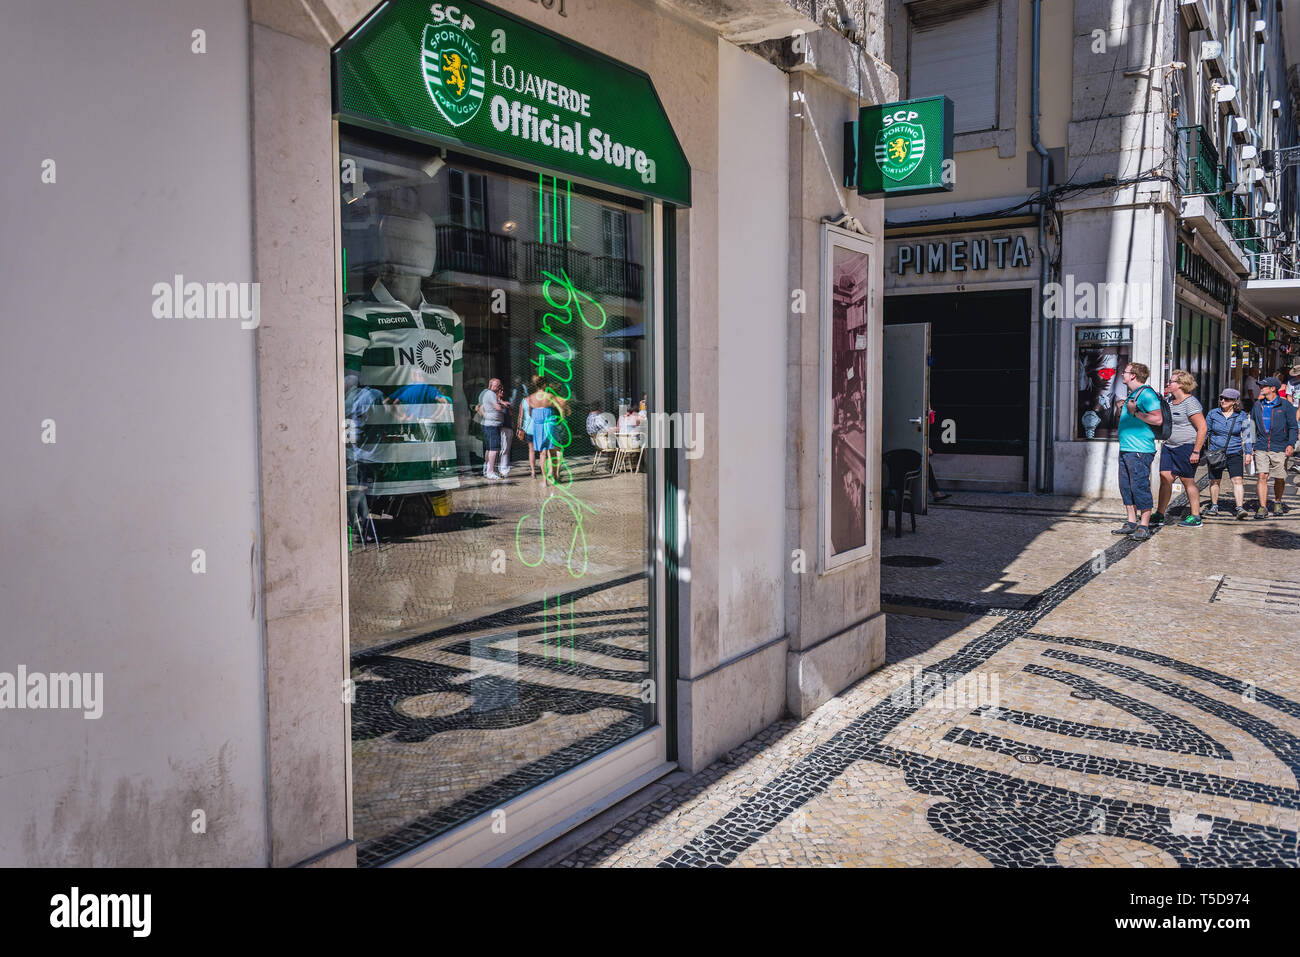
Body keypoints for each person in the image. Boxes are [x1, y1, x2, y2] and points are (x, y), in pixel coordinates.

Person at [1113, 362, 1164, 541]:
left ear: (1133, 375)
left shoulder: (1147, 394)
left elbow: (1157, 419)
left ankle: (1144, 525)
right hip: (1127, 448)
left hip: (1140, 450)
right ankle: (1131, 522)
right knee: (1126, 486)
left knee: (1139, 486)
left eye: (1125, 372)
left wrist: (1134, 413)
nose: (1122, 375)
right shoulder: (1133, 394)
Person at [1153, 370, 1207, 528]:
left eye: (1172, 381)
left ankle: (1196, 516)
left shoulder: (1190, 403)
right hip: (1169, 446)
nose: (1168, 384)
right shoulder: (1170, 401)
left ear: (1181, 384)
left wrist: (1196, 451)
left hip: (1186, 446)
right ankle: (1160, 514)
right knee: (1165, 477)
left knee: (1187, 480)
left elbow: (1202, 427)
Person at [1248, 376, 1298, 517]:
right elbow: (1252, 425)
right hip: (1261, 445)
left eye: (1263, 386)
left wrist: (1291, 444)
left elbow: (1293, 427)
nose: (1260, 388)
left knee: (1279, 477)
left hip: (1280, 445)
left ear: (1272, 389)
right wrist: (1251, 444)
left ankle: (1277, 502)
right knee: (1262, 475)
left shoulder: (1285, 405)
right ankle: (1262, 507)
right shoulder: (1258, 405)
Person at [1203, 388, 1252, 520]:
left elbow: (1248, 436)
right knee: (1214, 480)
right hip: (1215, 452)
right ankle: (1214, 505)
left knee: (1237, 480)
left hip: (1235, 451)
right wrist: (1198, 449)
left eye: (1227, 399)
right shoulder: (1213, 414)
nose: (1223, 401)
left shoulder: (1241, 416)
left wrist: (1248, 453)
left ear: (1234, 402)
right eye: (1221, 398)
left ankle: (1239, 508)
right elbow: (1205, 432)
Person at [477, 377, 506, 480]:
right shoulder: (491, 394)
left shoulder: (485, 393)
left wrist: (485, 414)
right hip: (491, 425)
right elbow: (497, 408)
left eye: (499, 386)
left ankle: (487, 469)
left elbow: (479, 408)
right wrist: (503, 405)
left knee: (489, 449)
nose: (499, 388)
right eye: (497, 386)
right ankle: (490, 472)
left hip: (489, 424)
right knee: (494, 449)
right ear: (491, 385)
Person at [517, 375, 541, 479]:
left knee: (531, 450)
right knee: (542, 451)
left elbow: (520, 416)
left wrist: (519, 428)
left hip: (528, 429)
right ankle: (544, 469)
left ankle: (533, 472)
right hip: (539, 427)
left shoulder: (524, 401)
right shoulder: (538, 399)